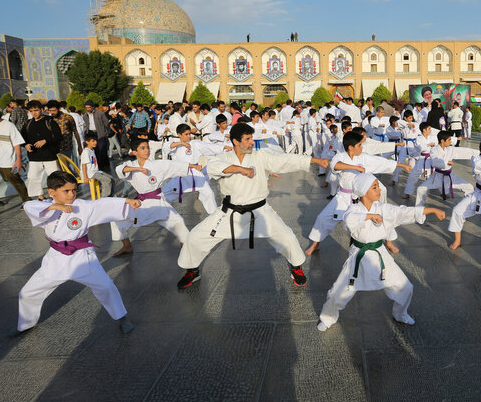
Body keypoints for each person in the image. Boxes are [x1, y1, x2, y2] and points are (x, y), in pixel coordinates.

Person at [177, 123, 329, 289]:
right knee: (195, 237)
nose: (251, 142)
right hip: (229, 212)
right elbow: (214, 167)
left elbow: (285, 160)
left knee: (288, 237)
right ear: (235, 141)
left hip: (260, 211)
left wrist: (314, 160)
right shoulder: (223, 157)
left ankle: (296, 268)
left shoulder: (260, 156)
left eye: (251, 138)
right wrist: (240, 169)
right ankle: (193, 270)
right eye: (248, 139)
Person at [316, 173, 445, 331]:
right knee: (337, 292)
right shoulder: (353, 209)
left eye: (378, 186)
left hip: (380, 254)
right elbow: (349, 220)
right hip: (359, 256)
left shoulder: (384, 208)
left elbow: (403, 212)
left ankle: (400, 314)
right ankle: (328, 318)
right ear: (363, 191)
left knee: (405, 287)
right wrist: (370, 215)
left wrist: (430, 210)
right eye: (374, 187)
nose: (379, 190)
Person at [16, 171, 140, 335]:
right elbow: (28, 206)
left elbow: (103, 204)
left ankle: (122, 317)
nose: (71, 194)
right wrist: (54, 206)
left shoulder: (83, 207)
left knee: (105, 286)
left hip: (82, 257)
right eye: (66, 191)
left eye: (74, 190)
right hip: (55, 259)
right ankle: (25, 323)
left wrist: (127, 201)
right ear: (52, 192)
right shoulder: (46, 206)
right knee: (28, 292)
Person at [305, 130, 410, 256]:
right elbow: (335, 166)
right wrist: (355, 167)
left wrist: (401, 165)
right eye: (359, 145)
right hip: (343, 197)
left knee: (381, 216)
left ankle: (389, 242)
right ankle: (315, 244)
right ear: (351, 147)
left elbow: (381, 162)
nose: (362, 147)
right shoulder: (340, 157)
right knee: (323, 218)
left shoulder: (364, 157)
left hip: (363, 198)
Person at [110, 138, 200, 257]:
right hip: (140, 203)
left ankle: (186, 251)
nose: (147, 150)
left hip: (158, 203)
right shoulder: (131, 165)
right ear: (135, 152)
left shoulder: (156, 165)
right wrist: (138, 169)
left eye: (148, 147)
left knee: (179, 223)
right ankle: (127, 246)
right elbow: (120, 169)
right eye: (143, 148)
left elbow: (173, 165)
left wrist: (193, 166)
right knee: (117, 217)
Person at [162, 123, 229, 215]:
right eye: (186, 134)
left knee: (208, 193)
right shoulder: (174, 145)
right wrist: (181, 143)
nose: (189, 136)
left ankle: (214, 215)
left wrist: (224, 147)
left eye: (189, 134)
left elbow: (209, 147)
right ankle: (161, 213)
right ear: (179, 135)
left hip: (196, 174)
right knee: (165, 194)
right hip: (180, 175)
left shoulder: (194, 143)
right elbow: (166, 147)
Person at [415, 130, 477, 206]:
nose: (450, 142)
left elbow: (464, 151)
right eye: (449, 140)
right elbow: (434, 161)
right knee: (420, 189)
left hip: (450, 176)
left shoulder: (450, 149)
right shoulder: (434, 150)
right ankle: (419, 211)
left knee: (469, 187)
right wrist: (446, 162)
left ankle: (466, 208)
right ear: (442, 141)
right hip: (437, 177)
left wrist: (479, 153)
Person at [21, 100, 62, 201]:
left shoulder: (50, 121)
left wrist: (45, 141)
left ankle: (57, 196)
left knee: (54, 176)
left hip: (49, 155)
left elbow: (59, 136)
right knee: (33, 177)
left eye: (36, 110)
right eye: (31, 111)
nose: (34, 113)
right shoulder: (28, 123)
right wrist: (25, 145)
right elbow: (22, 138)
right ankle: (40, 197)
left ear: (42, 110)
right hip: (34, 156)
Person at [0, 106, 29, 205]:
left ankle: (26, 201)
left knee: (16, 182)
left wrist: (18, 160)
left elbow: (17, 143)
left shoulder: (9, 126)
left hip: (7, 161)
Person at [80, 133, 115, 197]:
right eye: (93, 141)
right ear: (87, 142)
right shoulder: (86, 152)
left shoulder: (92, 150)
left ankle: (111, 196)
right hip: (90, 173)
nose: (95, 142)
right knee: (107, 180)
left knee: (111, 179)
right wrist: (85, 177)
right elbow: (84, 165)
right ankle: (104, 198)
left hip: (95, 171)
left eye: (96, 141)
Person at [83, 100, 111, 172]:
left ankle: (106, 166)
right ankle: (99, 166)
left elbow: (106, 123)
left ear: (92, 107)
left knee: (102, 150)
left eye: (89, 107)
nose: (88, 109)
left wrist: (104, 132)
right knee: (95, 151)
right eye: (86, 108)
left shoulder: (100, 113)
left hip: (100, 134)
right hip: (92, 134)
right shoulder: (85, 115)